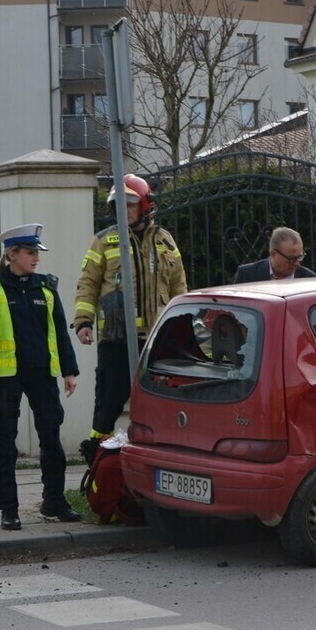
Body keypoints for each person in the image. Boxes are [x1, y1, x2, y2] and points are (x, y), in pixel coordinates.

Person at [0, 223, 81, 530]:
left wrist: (69, 371)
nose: (36, 259)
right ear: (11, 254)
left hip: (42, 374)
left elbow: (59, 330)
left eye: (36, 253)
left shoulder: (45, 287)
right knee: (5, 443)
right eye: (30, 253)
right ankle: (9, 508)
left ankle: (54, 501)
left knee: (51, 438)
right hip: (4, 377)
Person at [74, 173, 188, 462]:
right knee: (108, 406)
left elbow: (179, 287)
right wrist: (83, 321)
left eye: (131, 204)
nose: (124, 210)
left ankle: (160, 460)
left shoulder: (164, 240)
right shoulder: (103, 241)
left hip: (157, 340)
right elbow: (87, 284)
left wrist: (183, 325)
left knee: (160, 404)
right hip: (116, 339)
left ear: (145, 205)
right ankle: (98, 465)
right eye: (119, 205)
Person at [233, 226, 316, 282]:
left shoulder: (310, 280)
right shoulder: (247, 275)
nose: (296, 263)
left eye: (299, 257)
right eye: (291, 259)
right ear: (273, 254)